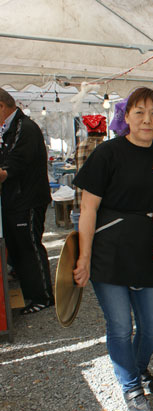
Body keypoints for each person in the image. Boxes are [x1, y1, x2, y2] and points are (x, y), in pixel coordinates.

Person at [72, 87, 153, 411]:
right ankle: (131, 385)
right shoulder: (108, 153)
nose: (147, 120)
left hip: (147, 251)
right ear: (126, 116)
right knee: (120, 327)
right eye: (139, 112)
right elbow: (88, 209)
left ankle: (138, 369)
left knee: (152, 326)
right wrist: (84, 257)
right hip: (109, 251)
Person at [0, 88, 54, 315]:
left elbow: (11, 165)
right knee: (18, 247)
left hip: (27, 199)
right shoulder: (12, 128)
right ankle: (30, 291)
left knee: (29, 247)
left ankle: (42, 296)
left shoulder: (25, 128)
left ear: (2, 106)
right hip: (16, 199)